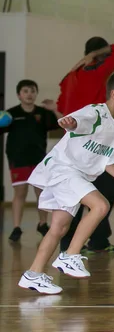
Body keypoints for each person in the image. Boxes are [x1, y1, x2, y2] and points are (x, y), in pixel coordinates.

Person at [18, 72, 114, 295]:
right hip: (64, 170)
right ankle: (70, 256)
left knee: (59, 227)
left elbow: (105, 159)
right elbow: (77, 121)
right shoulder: (95, 112)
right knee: (100, 205)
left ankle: (34, 275)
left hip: (74, 176)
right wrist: (71, 122)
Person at [57, 37, 114, 254]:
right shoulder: (98, 73)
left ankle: (70, 246)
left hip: (71, 148)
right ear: (100, 55)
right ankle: (95, 242)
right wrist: (97, 55)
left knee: (75, 198)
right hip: (95, 146)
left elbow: (62, 107)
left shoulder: (69, 77)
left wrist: (83, 60)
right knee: (104, 196)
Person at [2, 80, 62, 242]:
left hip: (39, 159)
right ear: (19, 95)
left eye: (32, 91)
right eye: (25, 91)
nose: (29, 94)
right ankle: (16, 227)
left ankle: (42, 224)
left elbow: (64, 124)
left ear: (36, 94)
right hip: (18, 158)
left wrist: (54, 109)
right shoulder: (10, 114)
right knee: (20, 192)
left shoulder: (43, 113)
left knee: (41, 192)